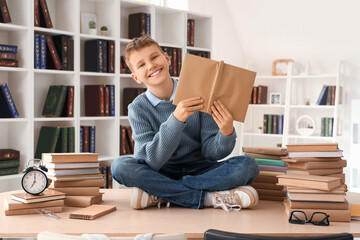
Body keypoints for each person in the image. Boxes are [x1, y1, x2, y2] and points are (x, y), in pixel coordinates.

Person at [111, 35, 259, 212]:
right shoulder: (137, 108)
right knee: (120, 167)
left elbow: (212, 153)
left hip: (201, 170)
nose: (151, 66)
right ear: (136, 77)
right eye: (141, 65)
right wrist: (176, 119)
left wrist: (226, 132)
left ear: (167, 59)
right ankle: (207, 198)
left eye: (154, 57)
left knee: (248, 165)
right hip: (160, 171)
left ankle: (162, 192)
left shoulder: (198, 92)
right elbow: (149, 161)